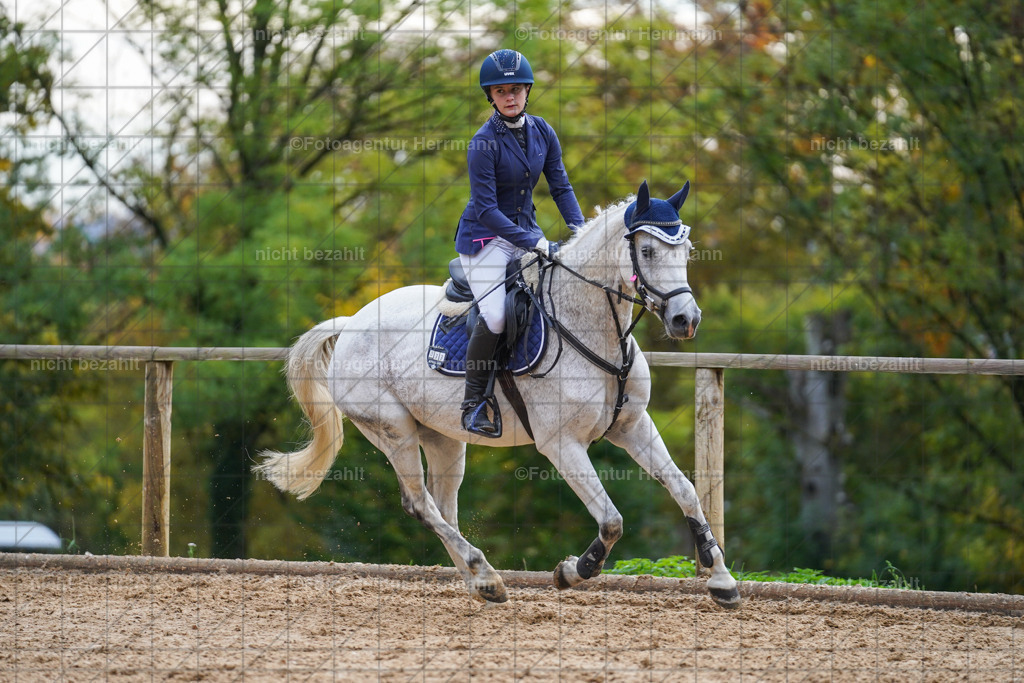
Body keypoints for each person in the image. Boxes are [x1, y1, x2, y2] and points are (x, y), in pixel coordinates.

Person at [455, 49, 585, 437]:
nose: (509, 97)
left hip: (526, 234)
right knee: (495, 316)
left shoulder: (543, 131)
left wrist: (582, 232)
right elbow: (487, 209)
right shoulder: (482, 143)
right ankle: (473, 403)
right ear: (490, 97)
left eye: (515, 89)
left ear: (527, 90)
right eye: (500, 91)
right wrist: (534, 242)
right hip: (484, 238)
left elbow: (560, 186)